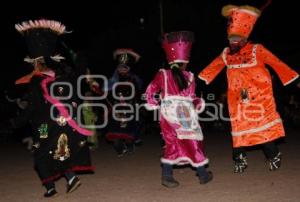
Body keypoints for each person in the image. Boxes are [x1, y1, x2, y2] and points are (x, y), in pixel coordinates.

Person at [198, 4, 299, 173]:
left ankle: (273, 154)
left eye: (236, 40)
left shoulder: (257, 50)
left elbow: (277, 63)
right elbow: (211, 69)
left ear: (245, 38)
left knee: (261, 129)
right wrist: (196, 82)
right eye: (231, 39)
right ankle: (239, 158)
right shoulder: (226, 54)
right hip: (236, 100)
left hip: (260, 98)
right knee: (238, 128)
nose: (233, 42)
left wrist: (295, 81)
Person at [4, 19, 95, 197]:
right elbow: (77, 88)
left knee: (41, 156)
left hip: (45, 125)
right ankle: (70, 178)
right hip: (67, 123)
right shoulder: (65, 73)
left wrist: (14, 123)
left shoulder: (37, 80)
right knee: (59, 151)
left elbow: (32, 107)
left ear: (35, 61)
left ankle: (51, 188)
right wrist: (81, 62)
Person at [145, 31, 212, 188]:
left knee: (172, 142)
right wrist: (198, 103)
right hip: (185, 112)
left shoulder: (163, 74)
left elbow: (150, 91)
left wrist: (154, 104)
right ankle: (203, 174)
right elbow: (192, 97)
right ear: (186, 60)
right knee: (192, 141)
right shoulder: (189, 76)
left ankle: (167, 176)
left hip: (168, 112)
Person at [104, 48, 143, 157]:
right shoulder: (113, 79)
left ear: (129, 68)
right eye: (120, 67)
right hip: (116, 109)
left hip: (130, 108)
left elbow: (139, 87)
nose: (122, 69)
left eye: (124, 67)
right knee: (114, 134)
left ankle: (130, 145)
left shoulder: (134, 78)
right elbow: (105, 90)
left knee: (129, 132)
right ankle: (120, 148)